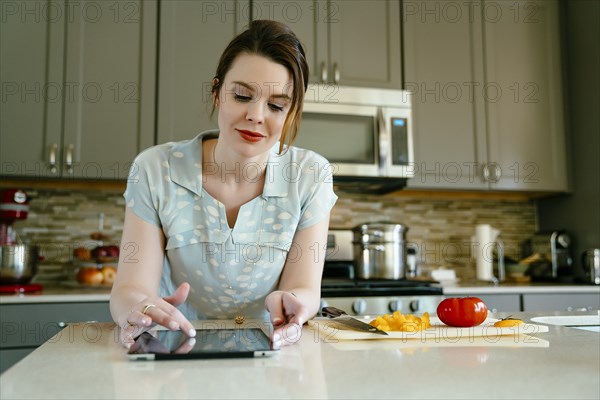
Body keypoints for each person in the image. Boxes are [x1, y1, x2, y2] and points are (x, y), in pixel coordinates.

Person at [110, 20, 337, 349]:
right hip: (176, 352)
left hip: (273, 360)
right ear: (217, 93)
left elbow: (304, 288)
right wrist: (139, 310)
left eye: (276, 105)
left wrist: (295, 304)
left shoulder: (310, 175)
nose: (256, 115)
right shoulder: (155, 170)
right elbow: (129, 289)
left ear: (291, 113)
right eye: (243, 95)